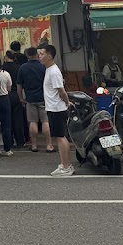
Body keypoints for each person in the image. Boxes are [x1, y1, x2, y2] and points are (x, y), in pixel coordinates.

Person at [40, 45, 74, 176]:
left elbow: (61, 90)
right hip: (53, 107)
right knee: (60, 137)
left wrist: (67, 102)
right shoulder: (49, 69)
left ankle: (66, 166)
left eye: (42, 54)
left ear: (49, 56)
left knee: (60, 137)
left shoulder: (53, 72)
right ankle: (65, 164)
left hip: (56, 109)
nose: (40, 56)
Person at [17, 49, 52, 153]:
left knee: (32, 122)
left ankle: (34, 145)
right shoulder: (43, 66)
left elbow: (19, 85)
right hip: (44, 97)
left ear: (27, 55)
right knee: (45, 121)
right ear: (37, 55)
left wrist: (21, 98)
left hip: (30, 98)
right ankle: (49, 145)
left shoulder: (23, 67)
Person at [3, 50, 27, 149]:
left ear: (6, 57)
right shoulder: (19, 68)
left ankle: (10, 141)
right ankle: (20, 141)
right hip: (16, 94)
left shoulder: (2, 68)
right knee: (18, 119)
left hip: (5, 95)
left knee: (7, 119)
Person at [0, 54, 14, 157]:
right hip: (5, 99)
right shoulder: (6, 74)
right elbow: (9, 88)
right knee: (6, 125)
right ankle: (7, 149)